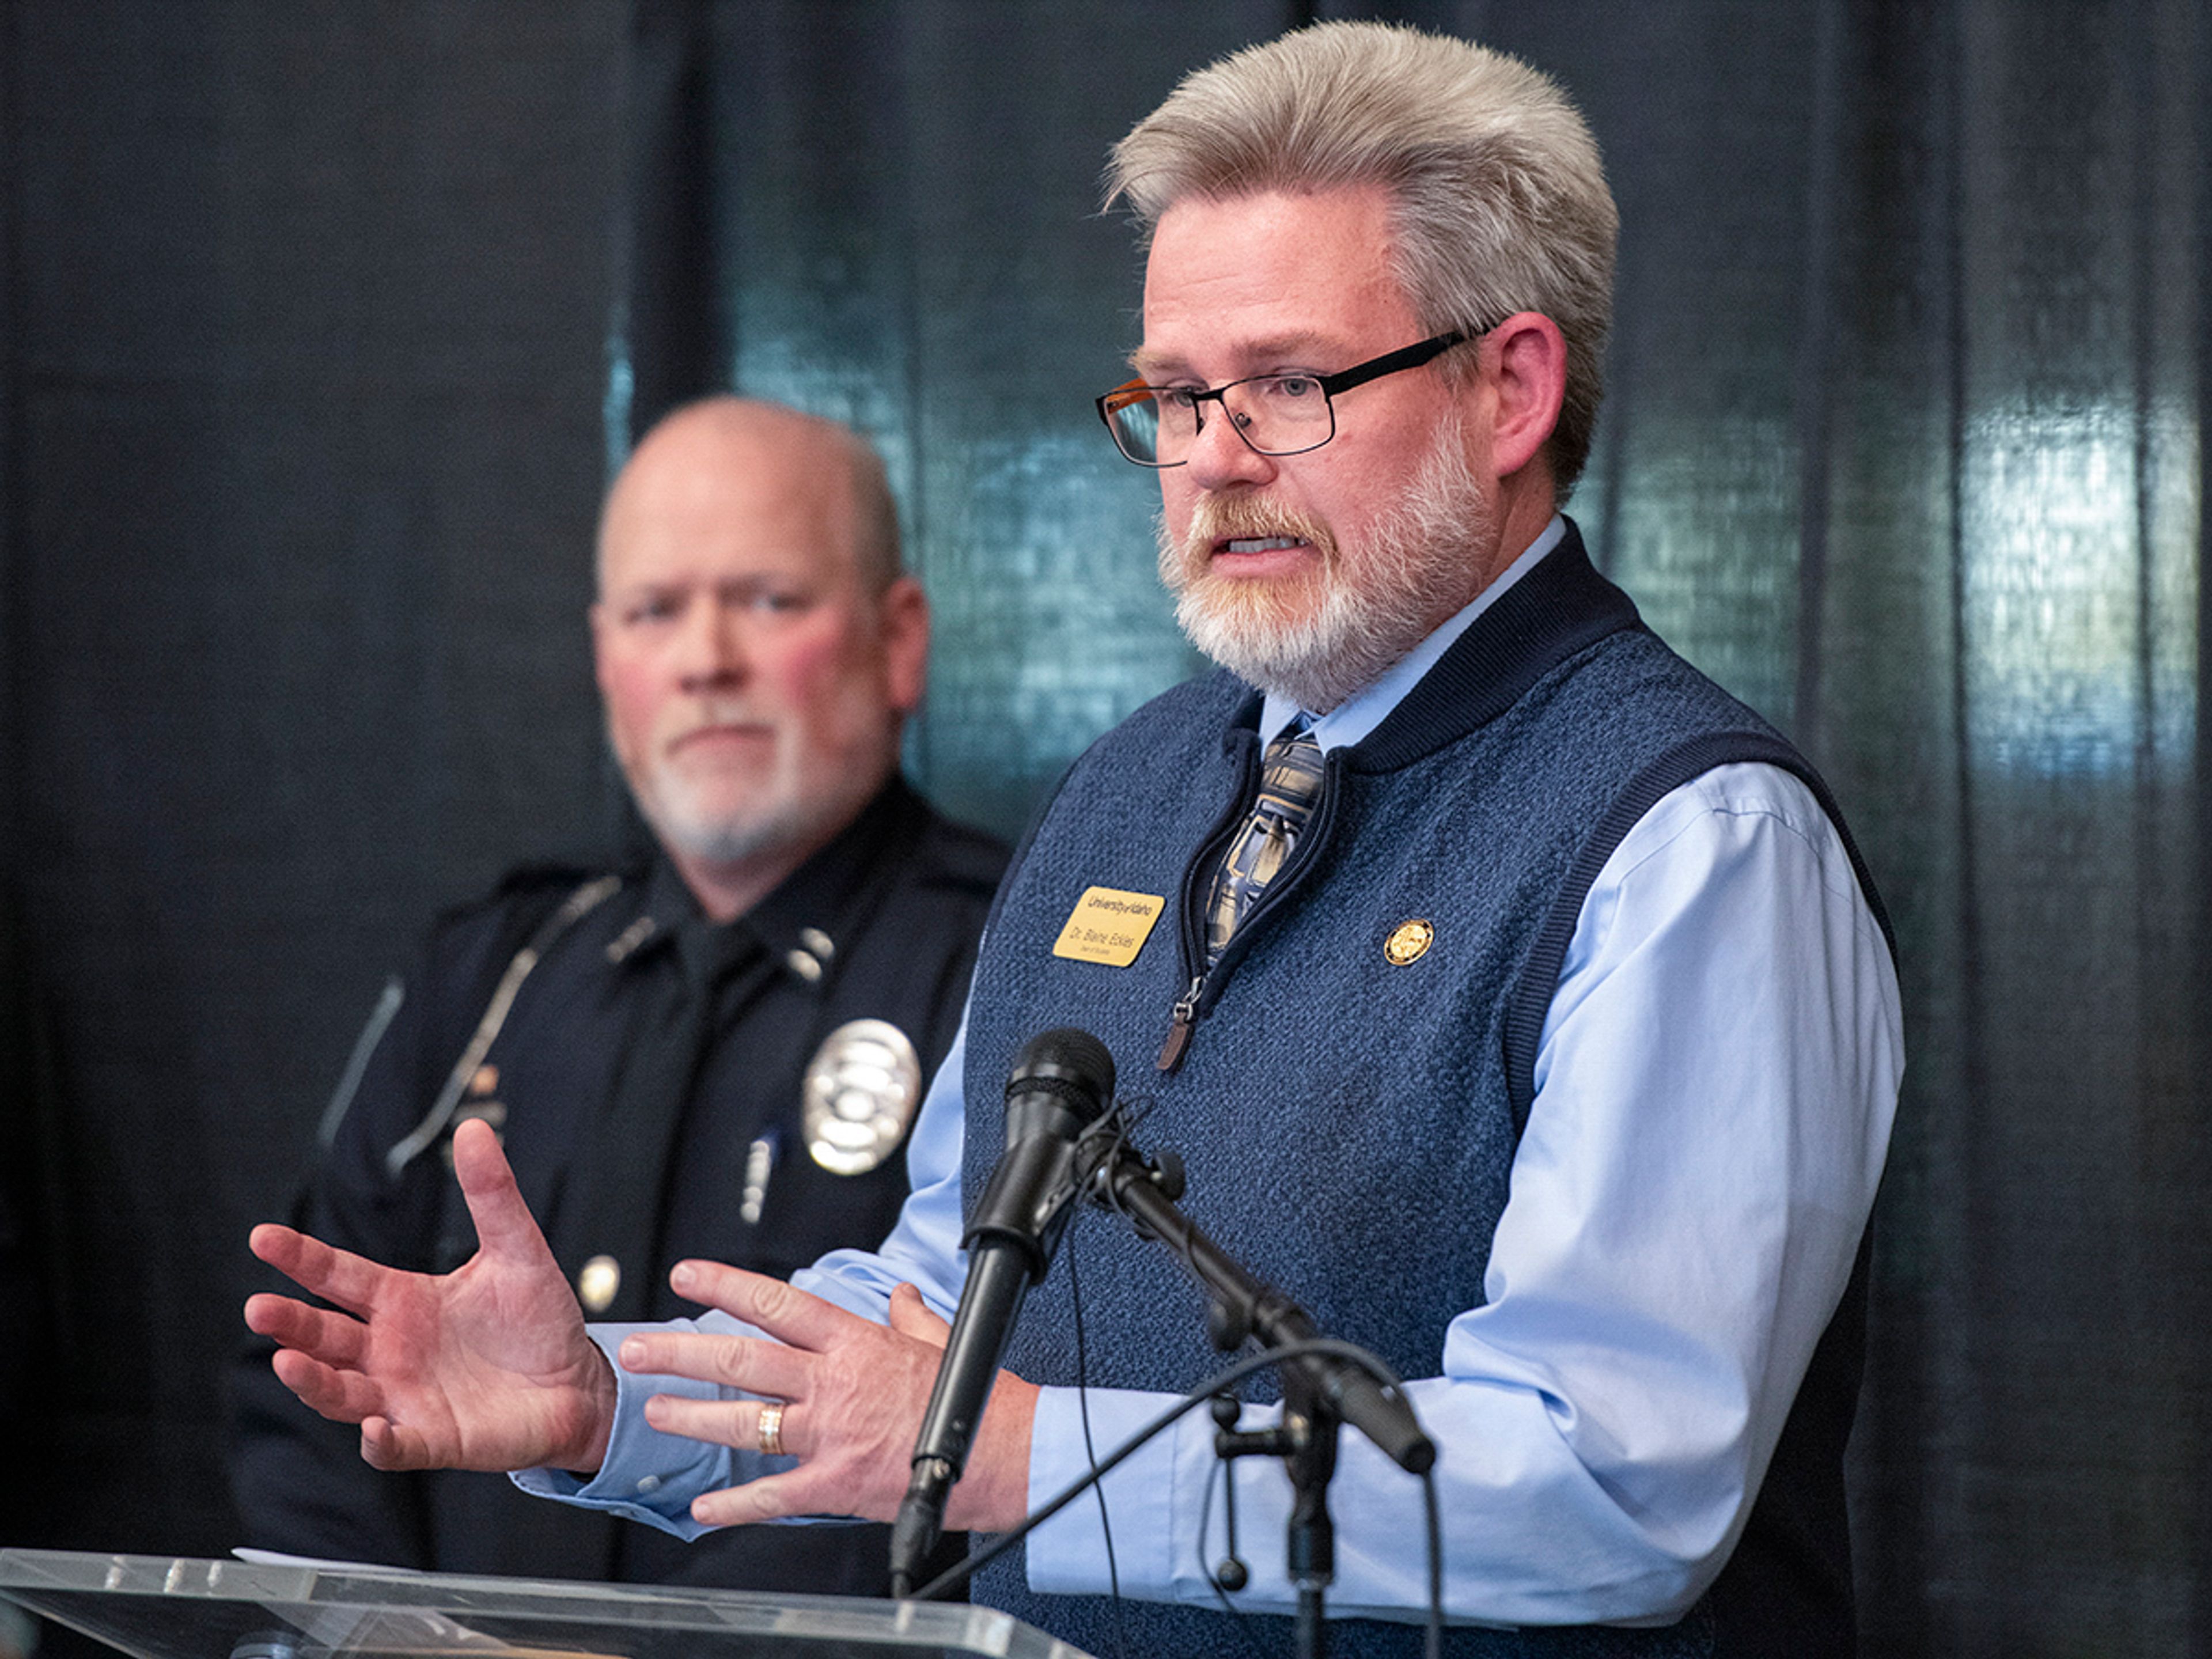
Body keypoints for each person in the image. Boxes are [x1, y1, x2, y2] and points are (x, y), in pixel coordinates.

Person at [244, 22, 1903, 1656]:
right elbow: (931, 1310)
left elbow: (1610, 1484)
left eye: (1292, 385)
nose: (1215, 464)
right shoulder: (1130, 789)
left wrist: (1031, 1459)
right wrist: (607, 1400)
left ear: (1511, 386)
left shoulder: (1692, 841)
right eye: (1177, 397)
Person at [227, 397, 1007, 1595]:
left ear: (899, 640)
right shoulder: (492, 975)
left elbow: (968, 1436)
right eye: (656, 611)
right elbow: (321, 1385)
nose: (706, 659)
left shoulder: (1014, 970)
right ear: (606, 660)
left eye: (768, 600)